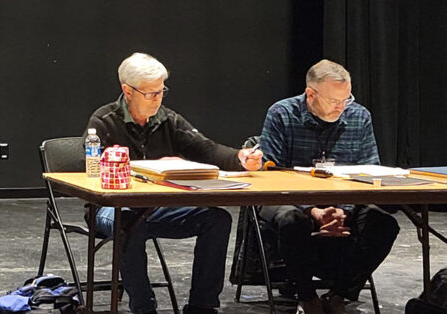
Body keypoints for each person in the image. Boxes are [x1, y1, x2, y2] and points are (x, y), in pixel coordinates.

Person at [85, 52, 263, 314]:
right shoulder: (103, 121)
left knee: (217, 220)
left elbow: (206, 149)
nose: (157, 99)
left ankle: (202, 306)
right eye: (150, 93)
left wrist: (240, 158)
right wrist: (145, 170)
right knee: (127, 222)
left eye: (161, 91)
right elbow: (92, 173)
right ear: (128, 91)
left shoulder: (168, 119)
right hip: (110, 208)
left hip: (156, 207)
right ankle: (144, 308)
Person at [258, 59, 399, 314]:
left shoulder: (359, 116)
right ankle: (306, 296)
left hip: (346, 201)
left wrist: (343, 210)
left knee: (383, 223)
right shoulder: (282, 113)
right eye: (334, 101)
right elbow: (270, 174)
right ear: (311, 94)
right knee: (291, 219)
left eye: (346, 99)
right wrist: (313, 210)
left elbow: (370, 172)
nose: (341, 107)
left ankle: (340, 294)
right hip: (290, 199)